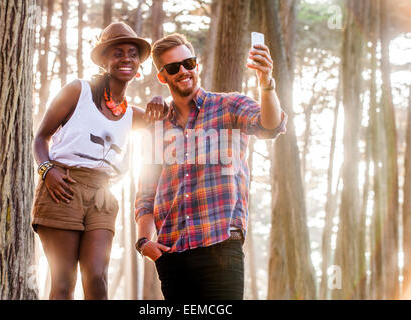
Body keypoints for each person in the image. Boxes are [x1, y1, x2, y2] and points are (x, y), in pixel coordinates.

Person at [134, 33, 287, 300]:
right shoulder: (157, 126)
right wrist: (144, 242)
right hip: (172, 254)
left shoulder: (229, 105)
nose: (183, 71)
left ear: (197, 65)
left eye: (189, 63)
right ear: (163, 76)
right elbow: (146, 194)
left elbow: (271, 125)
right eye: (173, 68)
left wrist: (266, 83)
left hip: (221, 246)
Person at [32, 22, 166, 300]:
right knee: (63, 281)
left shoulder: (132, 114)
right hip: (63, 186)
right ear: (105, 60)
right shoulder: (77, 92)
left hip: (103, 196)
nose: (126, 58)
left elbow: (167, 120)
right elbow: (40, 138)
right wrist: (47, 171)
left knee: (96, 278)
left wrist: (159, 100)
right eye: (117, 53)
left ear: (139, 64)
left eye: (132, 53)